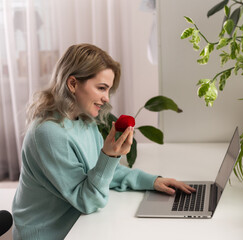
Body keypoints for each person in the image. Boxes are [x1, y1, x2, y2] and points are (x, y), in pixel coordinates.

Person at [12, 43, 195, 240]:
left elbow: (102, 171)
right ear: (72, 84)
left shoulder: (84, 120)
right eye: (101, 88)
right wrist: (109, 155)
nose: (106, 98)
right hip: (49, 233)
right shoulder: (48, 133)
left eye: (108, 90)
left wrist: (152, 181)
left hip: (77, 223)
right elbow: (88, 201)